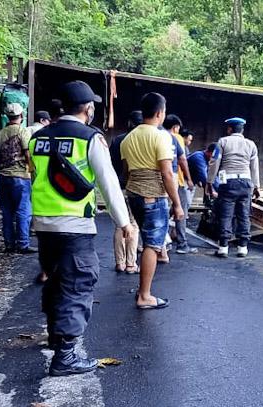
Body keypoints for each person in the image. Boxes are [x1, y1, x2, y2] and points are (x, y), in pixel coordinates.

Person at [30, 80, 131, 376]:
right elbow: (108, 183)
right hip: (75, 224)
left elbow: (36, 176)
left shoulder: (38, 138)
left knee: (54, 281)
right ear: (88, 108)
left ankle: (54, 338)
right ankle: (66, 356)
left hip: (44, 225)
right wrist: (123, 222)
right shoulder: (89, 138)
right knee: (77, 286)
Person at [120, 92, 183, 309]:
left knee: (148, 239)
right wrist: (177, 203)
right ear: (159, 113)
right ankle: (145, 295)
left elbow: (126, 173)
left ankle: (142, 289)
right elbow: (166, 173)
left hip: (134, 195)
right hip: (152, 196)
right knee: (153, 245)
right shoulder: (161, 136)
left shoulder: (128, 138)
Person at [207, 117, 260, 258]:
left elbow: (214, 161)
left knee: (226, 214)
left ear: (229, 129)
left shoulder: (222, 142)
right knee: (244, 214)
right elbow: (254, 167)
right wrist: (256, 186)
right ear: (242, 129)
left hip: (228, 182)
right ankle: (242, 247)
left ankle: (223, 246)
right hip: (246, 182)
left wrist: (210, 181)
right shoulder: (251, 144)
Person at [0, 103, 36, 254]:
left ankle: (9, 244)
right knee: (23, 210)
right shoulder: (22, 131)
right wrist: (32, 170)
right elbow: (27, 153)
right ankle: (23, 244)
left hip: (3, 176)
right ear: (21, 116)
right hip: (20, 176)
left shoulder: (1, 133)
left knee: (7, 211)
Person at [111, 110, 142, 274]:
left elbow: (110, 163)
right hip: (134, 187)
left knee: (119, 225)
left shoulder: (118, 139)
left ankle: (119, 263)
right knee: (133, 225)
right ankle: (131, 264)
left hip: (117, 186)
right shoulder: (141, 139)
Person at [163, 114, 196, 254]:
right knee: (180, 210)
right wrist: (189, 179)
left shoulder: (157, 134)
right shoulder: (175, 138)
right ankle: (182, 243)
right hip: (177, 179)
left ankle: (164, 241)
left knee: (163, 210)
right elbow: (182, 160)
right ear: (176, 127)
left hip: (159, 178)